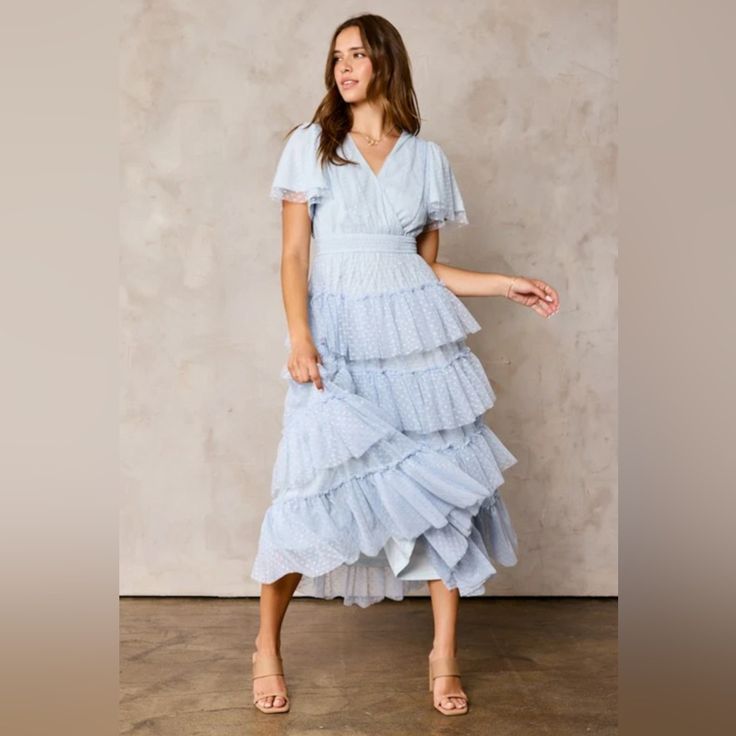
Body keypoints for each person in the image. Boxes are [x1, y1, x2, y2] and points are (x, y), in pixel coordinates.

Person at [249, 13, 560, 717]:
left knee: (446, 493)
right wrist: (300, 337)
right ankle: (266, 645)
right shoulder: (312, 147)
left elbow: (423, 272)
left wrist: (504, 283)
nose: (344, 68)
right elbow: (295, 254)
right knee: (311, 494)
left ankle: (443, 657)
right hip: (339, 344)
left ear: (387, 62)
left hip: (414, 349)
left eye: (357, 55)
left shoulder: (428, 159)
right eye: (336, 58)